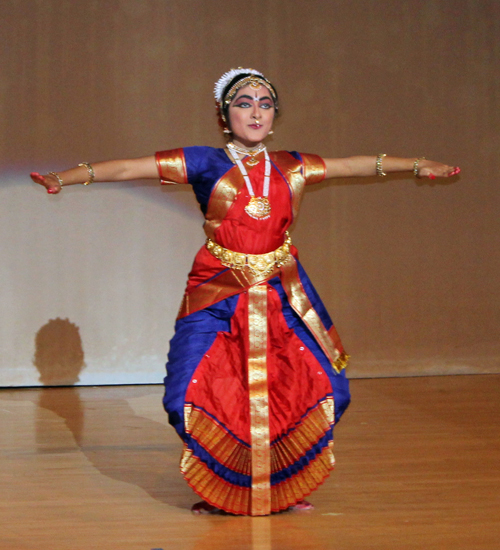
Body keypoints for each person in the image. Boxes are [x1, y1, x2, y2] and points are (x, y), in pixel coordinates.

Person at [31, 68, 460, 516]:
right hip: (217, 290)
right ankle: (228, 487)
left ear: (274, 117)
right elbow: (126, 167)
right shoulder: (203, 162)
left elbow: (357, 164)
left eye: (264, 103)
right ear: (224, 117)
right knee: (183, 398)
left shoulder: (293, 165)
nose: (255, 111)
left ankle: (280, 486)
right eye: (243, 103)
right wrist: (67, 176)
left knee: (326, 388)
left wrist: (415, 164)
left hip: (282, 291)